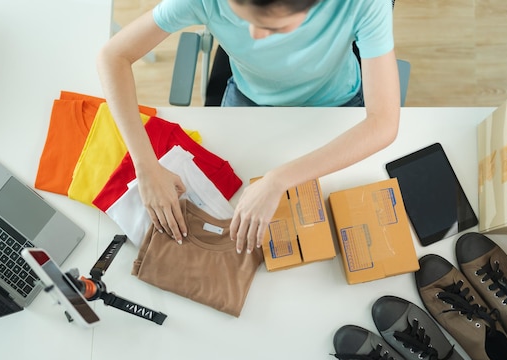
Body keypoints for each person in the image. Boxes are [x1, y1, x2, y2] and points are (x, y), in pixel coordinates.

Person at [96, 0, 400, 255]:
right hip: (248, 98)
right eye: (239, 14)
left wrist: (278, 180)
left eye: (272, 27)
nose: (252, 35)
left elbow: (383, 123)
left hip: (335, 105)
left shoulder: (362, 3)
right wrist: (145, 166)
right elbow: (112, 56)